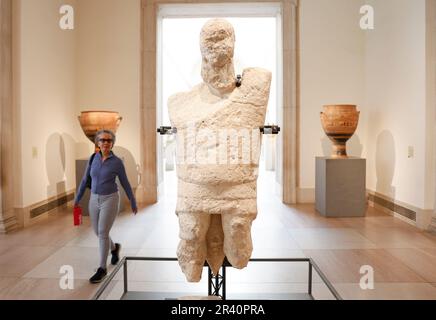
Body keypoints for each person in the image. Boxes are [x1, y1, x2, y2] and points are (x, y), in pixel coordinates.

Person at [168, 19, 271, 282]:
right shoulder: (181, 103)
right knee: (191, 237)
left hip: (238, 187)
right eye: (209, 41)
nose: (215, 47)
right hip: (194, 186)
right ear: (200, 48)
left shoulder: (255, 88)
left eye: (222, 39)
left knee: (238, 248)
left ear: (233, 44)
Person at [74, 129, 138, 283]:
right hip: (94, 199)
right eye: (102, 140)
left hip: (110, 199)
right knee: (98, 232)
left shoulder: (117, 162)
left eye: (109, 140)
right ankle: (114, 248)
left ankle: (102, 269)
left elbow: (124, 182)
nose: (105, 143)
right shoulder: (93, 158)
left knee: (102, 232)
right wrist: (77, 198)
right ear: (98, 142)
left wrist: (132, 200)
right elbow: (84, 180)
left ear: (112, 143)